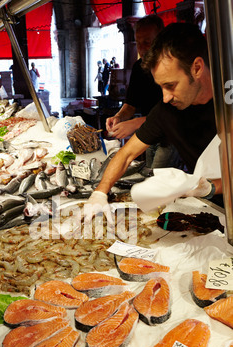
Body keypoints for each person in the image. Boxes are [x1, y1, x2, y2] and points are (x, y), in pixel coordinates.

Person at [87, 22, 222, 213]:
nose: (165, 97)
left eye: (171, 85)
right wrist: (100, 192)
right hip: (211, 210)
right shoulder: (166, 110)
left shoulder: (226, 105)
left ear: (197, 68)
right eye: (161, 87)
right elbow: (126, 155)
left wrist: (210, 187)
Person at [106, 15, 182, 169]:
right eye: (138, 43)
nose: (141, 48)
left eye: (147, 42)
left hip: (171, 134)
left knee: (158, 179)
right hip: (150, 133)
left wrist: (135, 123)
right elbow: (131, 104)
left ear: (160, 39)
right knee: (148, 175)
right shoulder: (138, 67)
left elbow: (176, 111)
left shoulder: (174, 66)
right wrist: (119, 117)